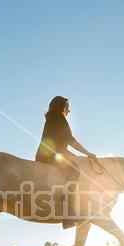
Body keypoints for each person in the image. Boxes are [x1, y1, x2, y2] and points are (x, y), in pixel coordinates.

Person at [35, 96, 97, 229]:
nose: (68, 112)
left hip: (53, 153)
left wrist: (76, 156)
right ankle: (69, 215)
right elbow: (69, 139)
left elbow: (59, 143)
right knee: (74, 171)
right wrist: (88, 153)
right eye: (67, 109)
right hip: (51, 156)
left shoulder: (52, 118)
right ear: (61, 107)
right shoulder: (58, 117)